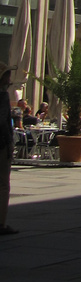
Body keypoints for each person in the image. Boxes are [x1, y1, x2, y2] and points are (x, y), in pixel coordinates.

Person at [0, 69, 18, 236]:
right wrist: (9, 143)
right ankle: (1, 223)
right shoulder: (3, 95)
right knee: (3, 184)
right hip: (1, 144)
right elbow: (3, 121)